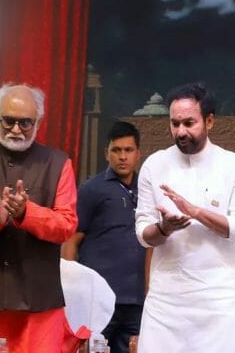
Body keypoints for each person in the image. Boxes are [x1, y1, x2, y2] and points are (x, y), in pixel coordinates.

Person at [134, 82, 235, 352]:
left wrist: (196, 212)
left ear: (209, 121)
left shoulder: (233, 164)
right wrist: (164, 228)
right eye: (175, 124)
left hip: (219, 300)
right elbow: (143, 234)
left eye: (189, 123)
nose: (181, 132)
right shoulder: (154, 165)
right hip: (166, 301)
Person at [0, 83, 78, 352]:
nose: (15, 129)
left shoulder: (59, 163)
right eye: (8, 120)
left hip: (39, 305)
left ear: (39, 122)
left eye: (25, 122)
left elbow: (66, 225)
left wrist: (27, 213)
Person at [62, 121, 145, 353]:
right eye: (116, 150)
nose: (122, 156)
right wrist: (71, 289)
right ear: (106, 153)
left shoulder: (147, 189)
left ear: (138, 154)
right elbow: (71, 239)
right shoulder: (92, 189)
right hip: (98, 298)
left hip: (137, 299)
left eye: (128, 150)